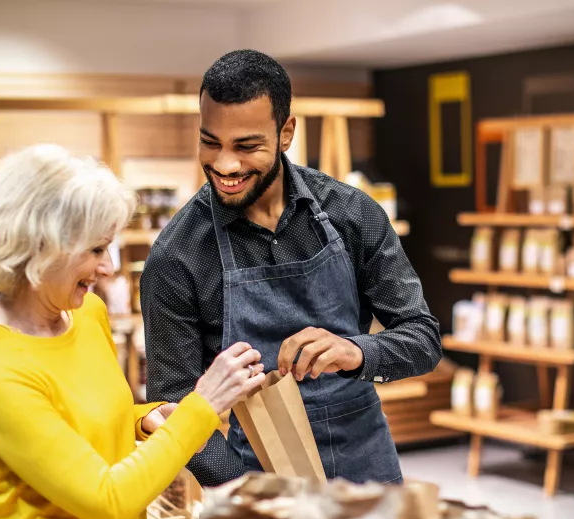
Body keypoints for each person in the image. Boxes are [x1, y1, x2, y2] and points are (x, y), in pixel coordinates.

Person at [0, 144, 266, 519]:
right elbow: (108, 499)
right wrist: (202, 405)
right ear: (40, 248)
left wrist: (144, 419)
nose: (109, 267)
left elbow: (82, 422)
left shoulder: (85, 314)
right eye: (96, 249)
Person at [141, 49, 441, 487]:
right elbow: (173, 409)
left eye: (247, 146)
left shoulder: (351, 214)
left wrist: (356, 352)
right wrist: (248, 488)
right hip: (257, 479)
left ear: (285, 133)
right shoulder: (178, 257)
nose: (225, 165)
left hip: (367, 471)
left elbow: (423, 338)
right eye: (211, 142)